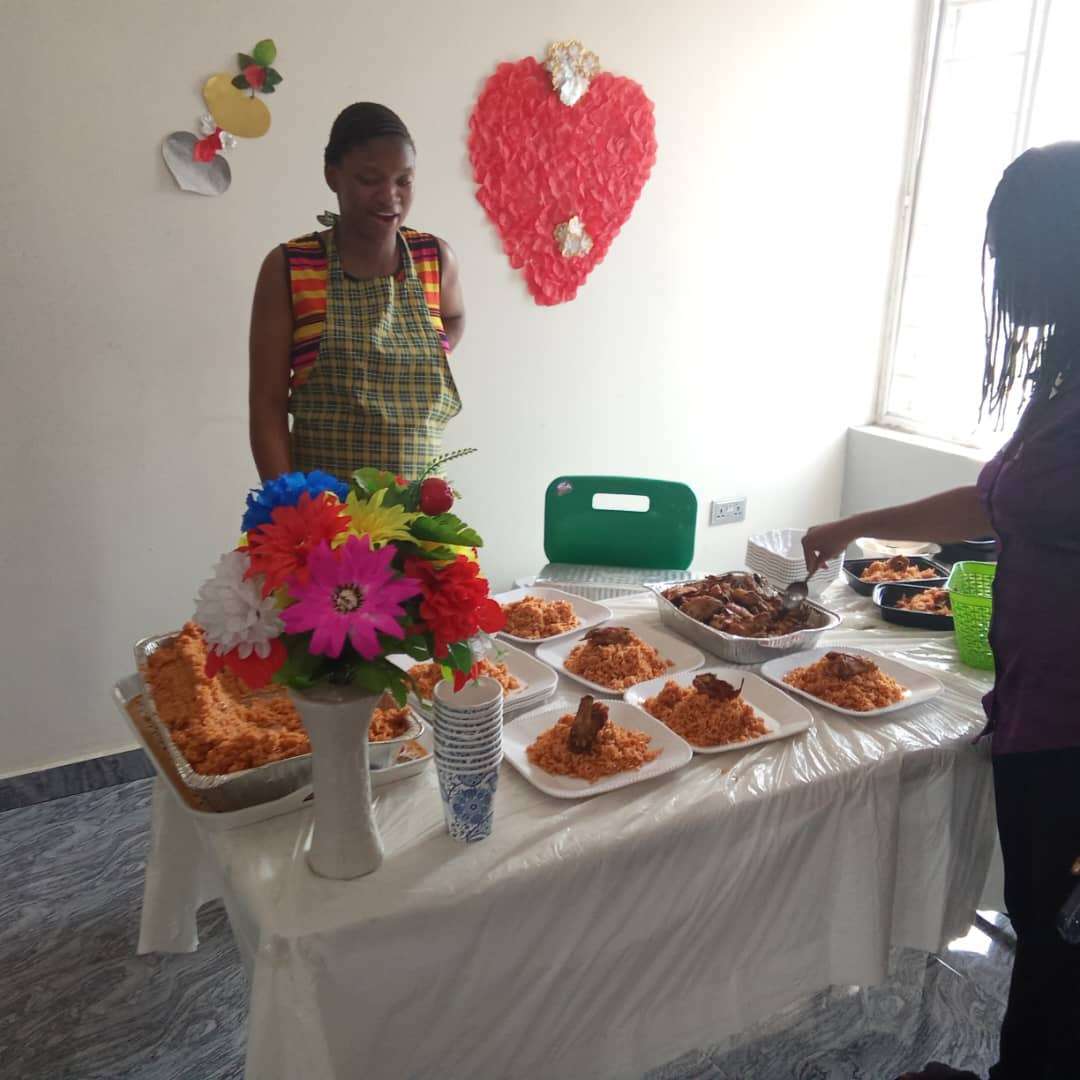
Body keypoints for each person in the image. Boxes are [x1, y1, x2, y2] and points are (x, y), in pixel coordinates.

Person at [803, 143, 1080, 1080]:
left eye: (1011, 254)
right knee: (1048, 937)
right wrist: (856, 524)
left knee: (1067, 950)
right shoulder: (1064, 377)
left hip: (1075, 722)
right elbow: (993, 502)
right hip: (1034, 703)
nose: (1002, 278)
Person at [248, 103, 465, 482]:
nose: (390, 196)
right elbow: (267, 407)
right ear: (333, 177)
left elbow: (455, 315)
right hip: (325, 519)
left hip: (419, 517)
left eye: (404, 180)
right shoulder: (291, 268)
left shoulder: (435, 259)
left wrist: (436, 349)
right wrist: (287, 507)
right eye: (369, 179)